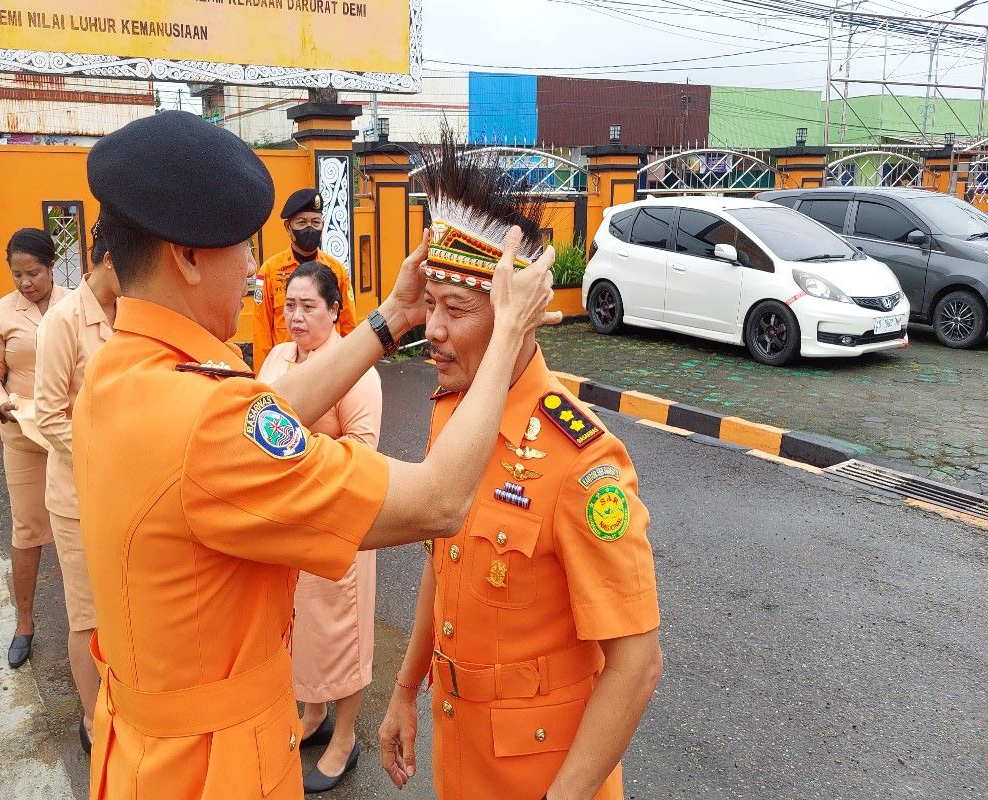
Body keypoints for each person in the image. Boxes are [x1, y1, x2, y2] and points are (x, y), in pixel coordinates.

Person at [73, 110, 560, 800]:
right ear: (185, 255)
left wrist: (391, 319)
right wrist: (508, 328)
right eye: (240, 250)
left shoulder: (118, 371)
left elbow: (256, 414)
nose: (251, 271)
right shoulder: (204, 424)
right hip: (211, 772)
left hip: (141, 755)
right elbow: (441, 500)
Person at [378, 133, 663, 800]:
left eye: (456, 309)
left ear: (518, 321)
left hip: (544, 776)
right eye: (431, 305)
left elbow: (638, 663)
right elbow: (438, 561)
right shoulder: (454, 412)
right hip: (461, 753)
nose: (434, 330)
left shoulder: (583, 461)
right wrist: (403, 689)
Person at [256, 262, 381, 793]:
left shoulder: (356, 369)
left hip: (336, 520)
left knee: (340, 632)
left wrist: (295, 451)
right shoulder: (277, 358)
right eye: (290, 306)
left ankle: (345, 737)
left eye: (309, 307)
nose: (297, 317)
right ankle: (312, 715)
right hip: (286, 525)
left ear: (335, 310)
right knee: (299, 628)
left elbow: (364, 448)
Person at [33, 231, 119, 753]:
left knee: (120, 608)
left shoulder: (127, 312)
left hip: (121, 493)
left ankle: (118, 704)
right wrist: (104, 456)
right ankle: (92, 720)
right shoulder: (62, 323)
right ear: (108, 258)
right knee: (87, 614)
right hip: (78, 497)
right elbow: (48, 415)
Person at [0, 227, 71, 669]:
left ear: (51, 266)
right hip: (24, 438)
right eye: (17, 275)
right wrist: (3, 405)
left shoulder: (77, 305)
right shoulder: (1, 313)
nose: (25, 283)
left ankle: (88, 624)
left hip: (71, 437)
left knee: (84, 531)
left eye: (33, 272)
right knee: (27, 531)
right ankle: (24, 623)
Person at [251, 189, 357, 371]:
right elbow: (261, 331)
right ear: (288, 227)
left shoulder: (336, 270)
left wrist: (352, 368)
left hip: (329, 367)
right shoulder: (269, 271)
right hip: (286, 369)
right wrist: (264, 379)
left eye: (316, 222)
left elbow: (349, 326)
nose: (310, 228)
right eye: (302, 222)